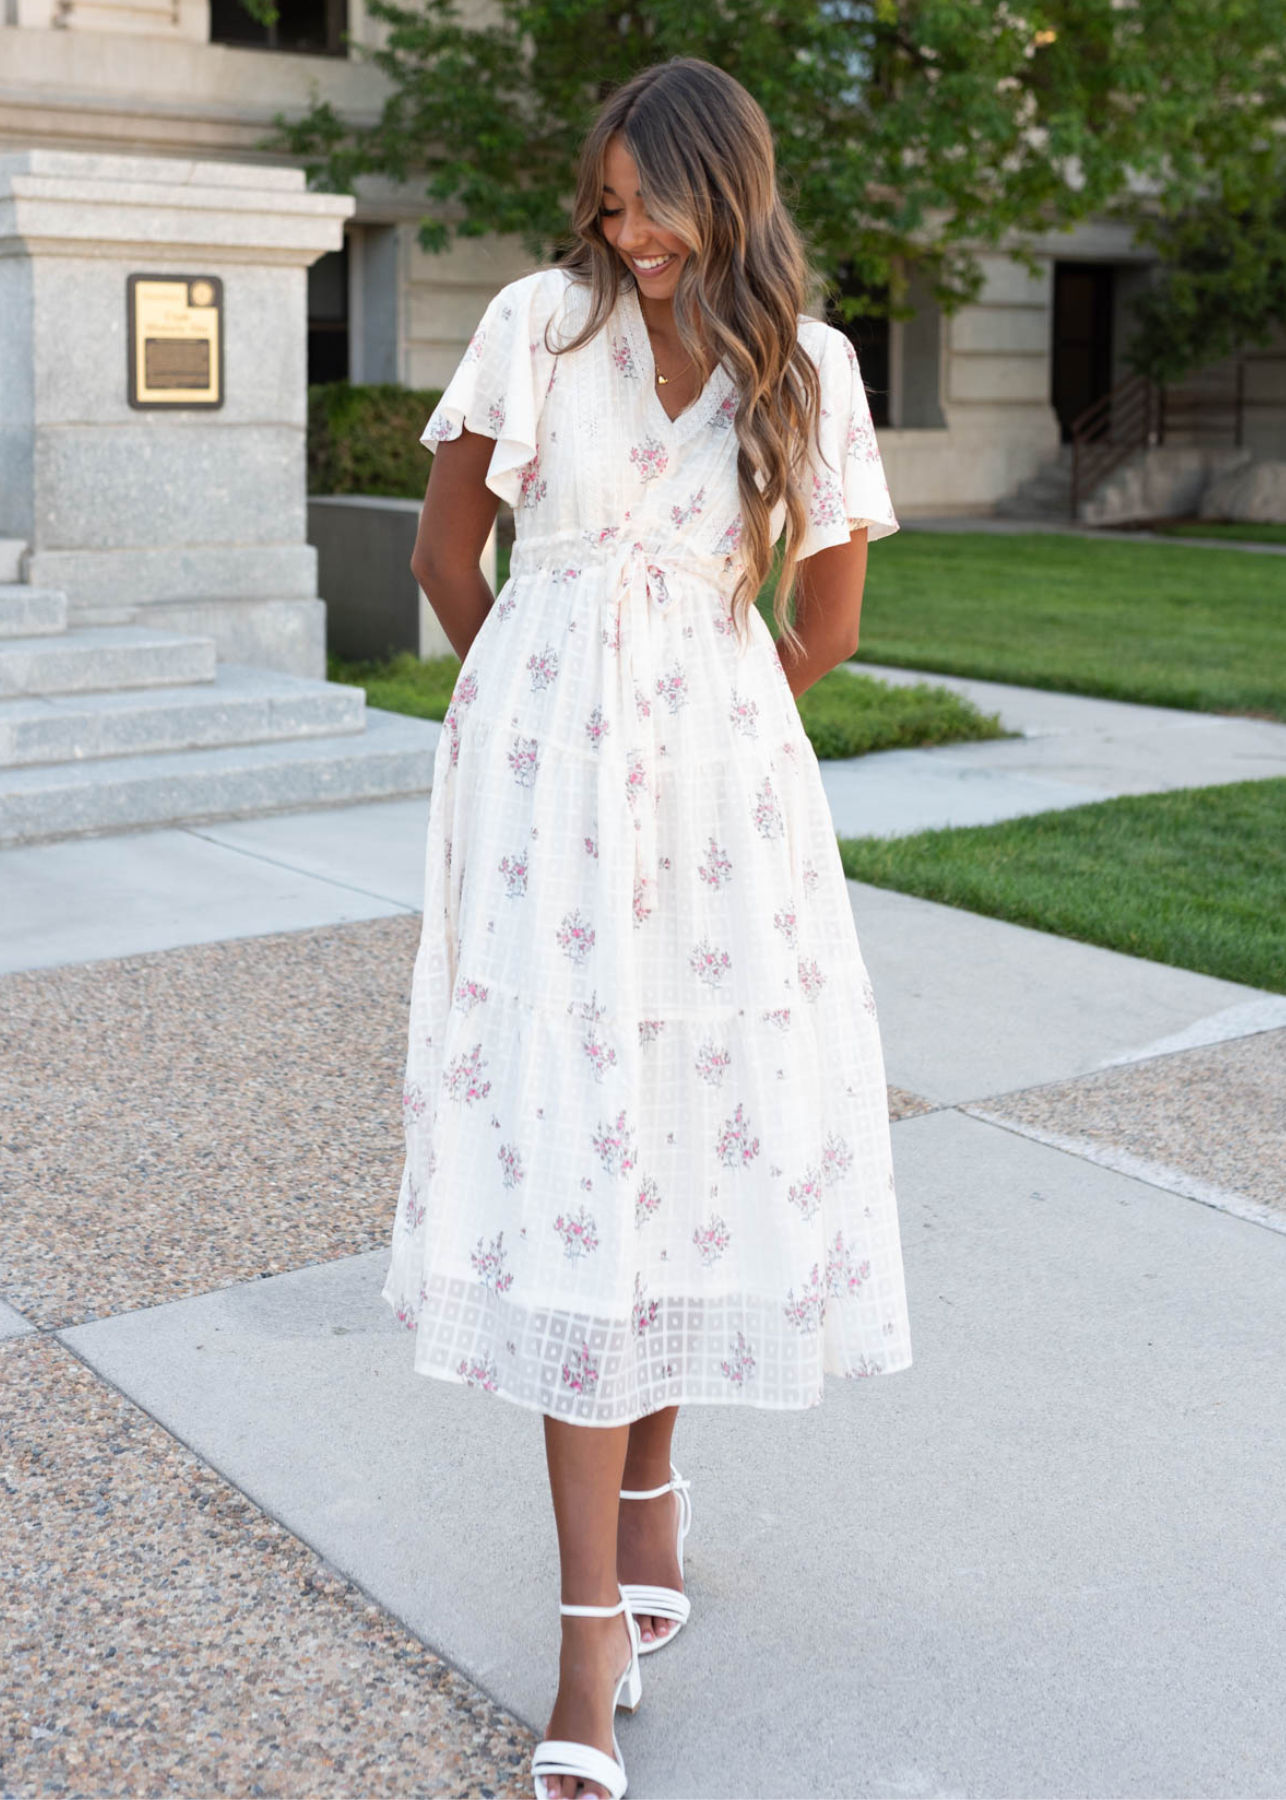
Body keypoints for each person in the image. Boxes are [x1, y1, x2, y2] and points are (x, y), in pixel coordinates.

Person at [382, 55, 913, 1800]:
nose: (625, 235)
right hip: (544, 804)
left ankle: (658, 1493)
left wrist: (696, 723)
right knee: (575, 1163)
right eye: (606, 203)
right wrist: (539, 709)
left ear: (727, 190)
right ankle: (588, 1643)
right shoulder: (539, 323)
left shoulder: (812, 370)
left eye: (650, 202)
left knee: (679, 1131)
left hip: (717, 807)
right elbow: (446, 562)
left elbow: (820, 619)